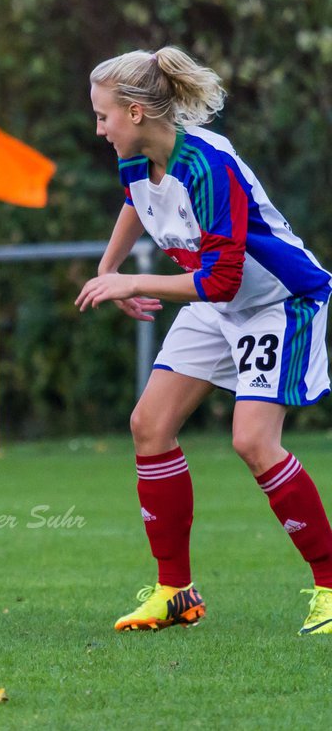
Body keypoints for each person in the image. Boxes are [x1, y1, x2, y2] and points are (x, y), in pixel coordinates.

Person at [77, 46, 332, 635]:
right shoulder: (137, 157)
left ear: (137, 113)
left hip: (278, 302)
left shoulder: (207, 166)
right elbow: (135, 207)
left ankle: (329, 584)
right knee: (150, 426)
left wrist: (134, 279)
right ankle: (175, 593)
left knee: (252, 441)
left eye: (103, 116)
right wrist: (108, 271)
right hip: (219, 303)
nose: (98, 129)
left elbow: (222, 280)